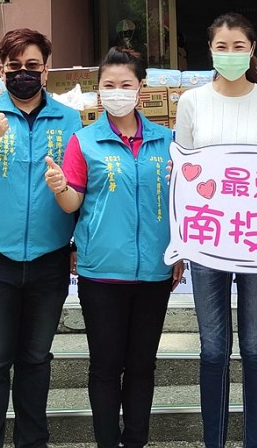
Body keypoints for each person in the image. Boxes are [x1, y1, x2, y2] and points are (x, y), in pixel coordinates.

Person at [43, 47, 184, 448]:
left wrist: (179, 251)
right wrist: (60, 188)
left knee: (142, 366)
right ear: (98, 90)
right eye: (109, 85)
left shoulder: (167, 141)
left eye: (126, 84)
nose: (117, 91)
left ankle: (135, 440)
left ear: (141, 88)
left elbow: (182, 203)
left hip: (154, 272)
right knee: (105, 367)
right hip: (101, 273)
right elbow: (73, 202)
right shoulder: (84, 141)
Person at [0, 28, 82, 448]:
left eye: (32, 66)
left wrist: (76, 243)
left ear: (46, 70)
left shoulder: (70, 119)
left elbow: (83, 188)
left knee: (36, 358)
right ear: (1, 70)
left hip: (49, 258)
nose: (23, 73)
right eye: (14, 66)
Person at [174, 12, 257, 448]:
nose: (229, 53)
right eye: (221, 47)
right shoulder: (192, 102)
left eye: (238, 46)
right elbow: (182, 173)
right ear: (210, 51)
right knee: (213, 348)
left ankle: (255, 442)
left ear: (252, 50)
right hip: (207, 241)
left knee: (256, 346)